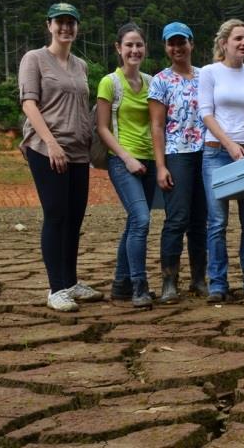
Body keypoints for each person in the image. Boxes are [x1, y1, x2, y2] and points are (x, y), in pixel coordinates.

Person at [18, 2, 103, 312]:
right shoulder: (35, 59)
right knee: (55, 215)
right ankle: (56, 289)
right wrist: (51, 143)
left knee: (74, 217)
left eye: (71, 22)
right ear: (49, 25)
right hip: (47, 149)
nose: (66, 27)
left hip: (79, 151)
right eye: (60, 22)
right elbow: (29, 104)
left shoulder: (81, 65)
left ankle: (70, 282)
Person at [199, 19, 244, 303]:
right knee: (217, 222)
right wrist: (229, 145)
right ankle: (218, 283)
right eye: (238, 38)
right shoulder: (209, 72)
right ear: (224, 43)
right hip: (217, 153)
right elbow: (206, 113)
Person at [148, 21, 208, 303]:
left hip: (206, 153)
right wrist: (161, 166)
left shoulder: (205, 77)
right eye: (171, 43)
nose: (177, 48)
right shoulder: (160, 80)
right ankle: (169, 282)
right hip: (177, 154)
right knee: (177, 219)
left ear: (192, 44)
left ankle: (198, 279)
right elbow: (157, 126)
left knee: (200, 220)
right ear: (166, 47)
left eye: (181, 42)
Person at [97, 23, 155, 308]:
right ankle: (138, 285)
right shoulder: (110, 82)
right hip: (122, 162)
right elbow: (103, 128)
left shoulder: (151, 81)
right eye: (129, 45)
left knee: (135, 221)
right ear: (118, 48)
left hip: (150, 161)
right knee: (142, 219)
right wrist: (127, 158)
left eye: (139, 45)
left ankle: (120, 285)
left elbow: (158, 124)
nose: (135, 50)